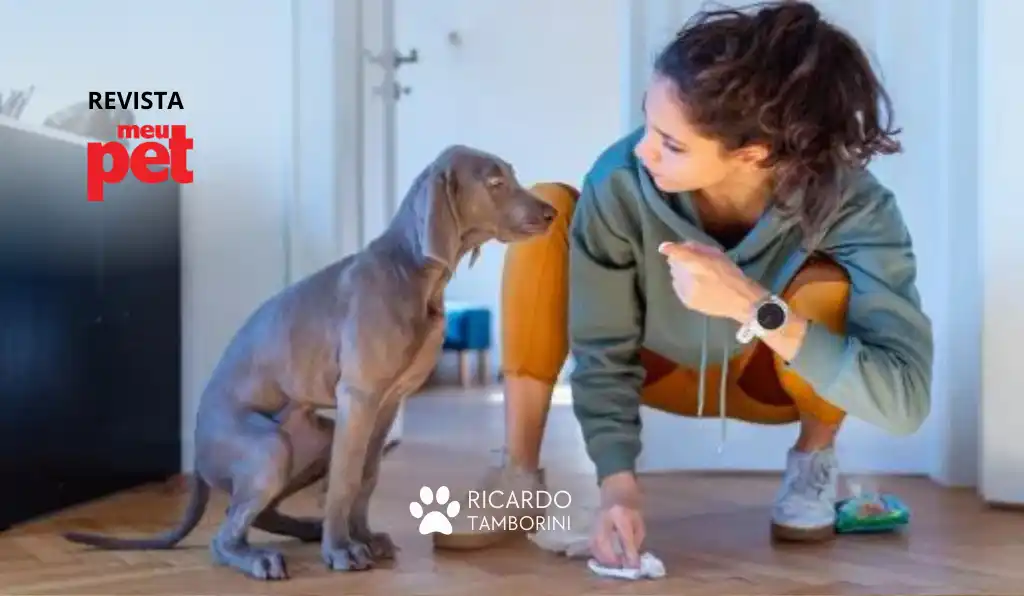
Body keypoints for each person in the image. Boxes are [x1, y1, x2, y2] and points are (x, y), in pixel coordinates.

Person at [433, 0, 933, 566]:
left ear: (753, 154)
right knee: (547, 212)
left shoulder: (856, 207)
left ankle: (812, 462)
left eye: (671, 144)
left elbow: (905, 404)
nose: (643, 151)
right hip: (657, 365)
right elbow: (601, 351)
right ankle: (517, 475)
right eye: (649, 121)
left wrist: (753, 305)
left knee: (828, 285)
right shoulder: (621, 179)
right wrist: (617, 487)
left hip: (765, 384)